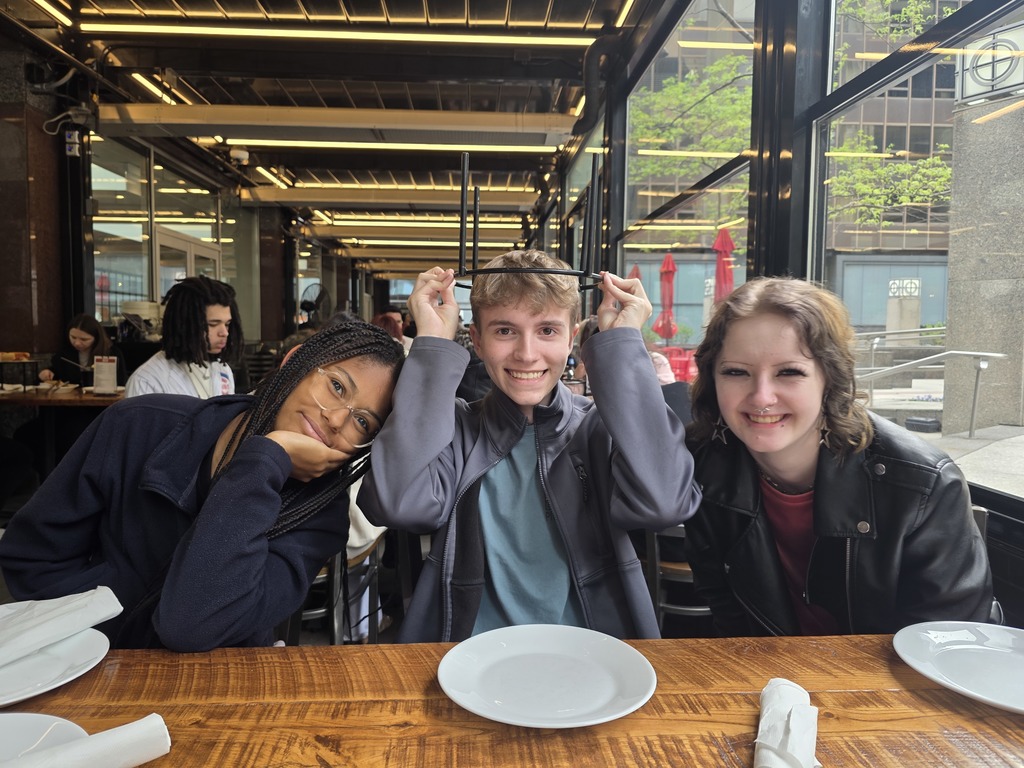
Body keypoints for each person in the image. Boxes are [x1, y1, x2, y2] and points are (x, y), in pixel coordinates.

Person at [358, 249, 702, 643]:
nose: (526, 354)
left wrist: (622, 345)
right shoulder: (455, 429)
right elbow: (396, 504)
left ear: (572, 338)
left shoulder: (599, 428)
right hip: (470, 653)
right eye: (505, 331)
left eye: (547, 331)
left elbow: (666, 503)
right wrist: (433, 344)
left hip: (592, 652)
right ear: (477, 340)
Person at [0, 321, 405, 650]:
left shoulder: (320, 516)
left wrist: (268, 458)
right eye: (337, 386)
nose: (337, 419)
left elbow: (191, 626)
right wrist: (104, 622)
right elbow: (31, 558)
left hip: (211, 694)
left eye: (362, 422)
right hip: (86, 669)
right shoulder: (138, 424)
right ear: (294, 361)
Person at [683, 277, 998, 637]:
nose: (761, 397)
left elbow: (946, 640)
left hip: (893, 671)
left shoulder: (923, 483)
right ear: (713, 379)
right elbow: (726, 611)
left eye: (789, 372)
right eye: (736, 372)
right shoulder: (703, 465)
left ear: (830, 379)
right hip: (770, 669)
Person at [125, 276, 243, 398]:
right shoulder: (146, 382)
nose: (224, 333)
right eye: (213, 324)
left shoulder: (222, 369)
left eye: (227, 324)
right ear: (185, 324)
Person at [38, 314, 127, 386]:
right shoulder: (64, 354)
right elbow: (55, 374)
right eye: (73, 337)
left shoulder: (112, 353)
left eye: (84, 339)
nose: (77, 343)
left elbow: (122, 382)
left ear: (96, 338)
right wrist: (47, 373)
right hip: (70, 400)